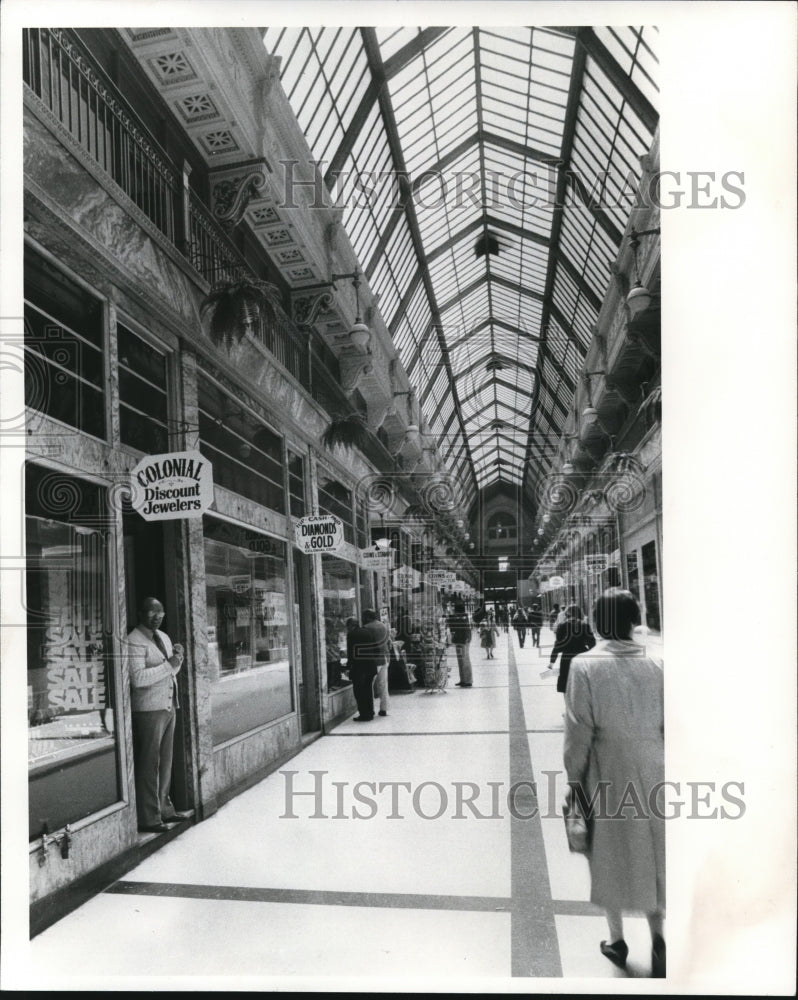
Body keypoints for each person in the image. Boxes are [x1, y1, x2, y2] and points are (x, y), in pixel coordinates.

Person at [563, 588, 665, 978]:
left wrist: (574, 781)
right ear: (633, 617)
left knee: (606, 848)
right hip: (655, 762)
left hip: (606, 766)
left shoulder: (586, 665)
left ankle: (617, 939)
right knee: (654, 847)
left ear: (596, 621)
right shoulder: (657, 660)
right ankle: (659, 940)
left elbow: (578, 731)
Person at [126, 597, 191, 834]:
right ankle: (149, 817)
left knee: (165, 760)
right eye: (152, 613)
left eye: (160, 613)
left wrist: (178, 659)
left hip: (168, 705)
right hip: (148, 709)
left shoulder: (163, 637)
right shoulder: (133, 640)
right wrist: (170, 664)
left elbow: (172, 670)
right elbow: (138, 679)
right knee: (149, 763)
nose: (157, 617)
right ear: (140, 613)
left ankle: (164, 808)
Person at [549, 604, 596, 695]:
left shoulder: (562, 625)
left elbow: (558, 645)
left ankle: (568, 706)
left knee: (566, 683)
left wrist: (552, 661)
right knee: (583, 683)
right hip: (581, 656)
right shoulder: (584, 625)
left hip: (566, 657)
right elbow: (592, 643)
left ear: (567, 613)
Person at [362, 609, 390, 717]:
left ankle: (370, 709)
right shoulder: (383, 626)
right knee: (383, 684)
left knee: (368, 685)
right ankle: (384, 709)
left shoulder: (366, 628)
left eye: (364, 617)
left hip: (372, 660)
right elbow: (388, 642)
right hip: (384, 658)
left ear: (368, 617)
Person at [446, 601, 473, 687]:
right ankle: (463, 680)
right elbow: (452, 625)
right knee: (460, 661)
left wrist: (467, 639)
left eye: (455, 609)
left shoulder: (464, 617)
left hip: (464, 641)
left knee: (465, 661)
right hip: (459, 640)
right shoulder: (459, 617)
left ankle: (468, 680)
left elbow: (465, 629)